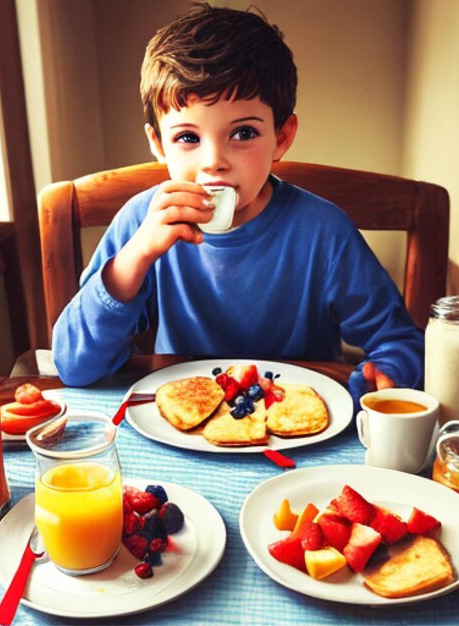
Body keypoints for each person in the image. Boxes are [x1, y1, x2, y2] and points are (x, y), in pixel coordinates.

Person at [51, 2, 424, 405]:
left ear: (281, 137)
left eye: (243, 133)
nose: (214, 161)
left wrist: (385, 374)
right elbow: (74, 366)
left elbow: (399, 343)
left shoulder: (323, 232)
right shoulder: (141, 224)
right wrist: (135, 258)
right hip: (184, 422)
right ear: (158, 144)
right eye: (188, 138)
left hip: (298, 426)